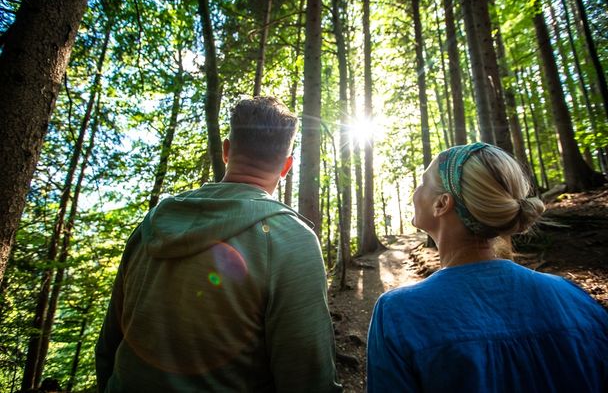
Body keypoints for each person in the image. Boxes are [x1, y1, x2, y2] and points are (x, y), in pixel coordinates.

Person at [96, 96, 342, 392]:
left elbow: (109, 344)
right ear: (286, 166)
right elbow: (309, 377)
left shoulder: (152, 223)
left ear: (226, 151)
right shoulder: (291, 240)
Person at [367, 142, 608, 392]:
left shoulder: (398, 314)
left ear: (441, 204)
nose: (414, 193)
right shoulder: (573, 297)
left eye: (422, 182)